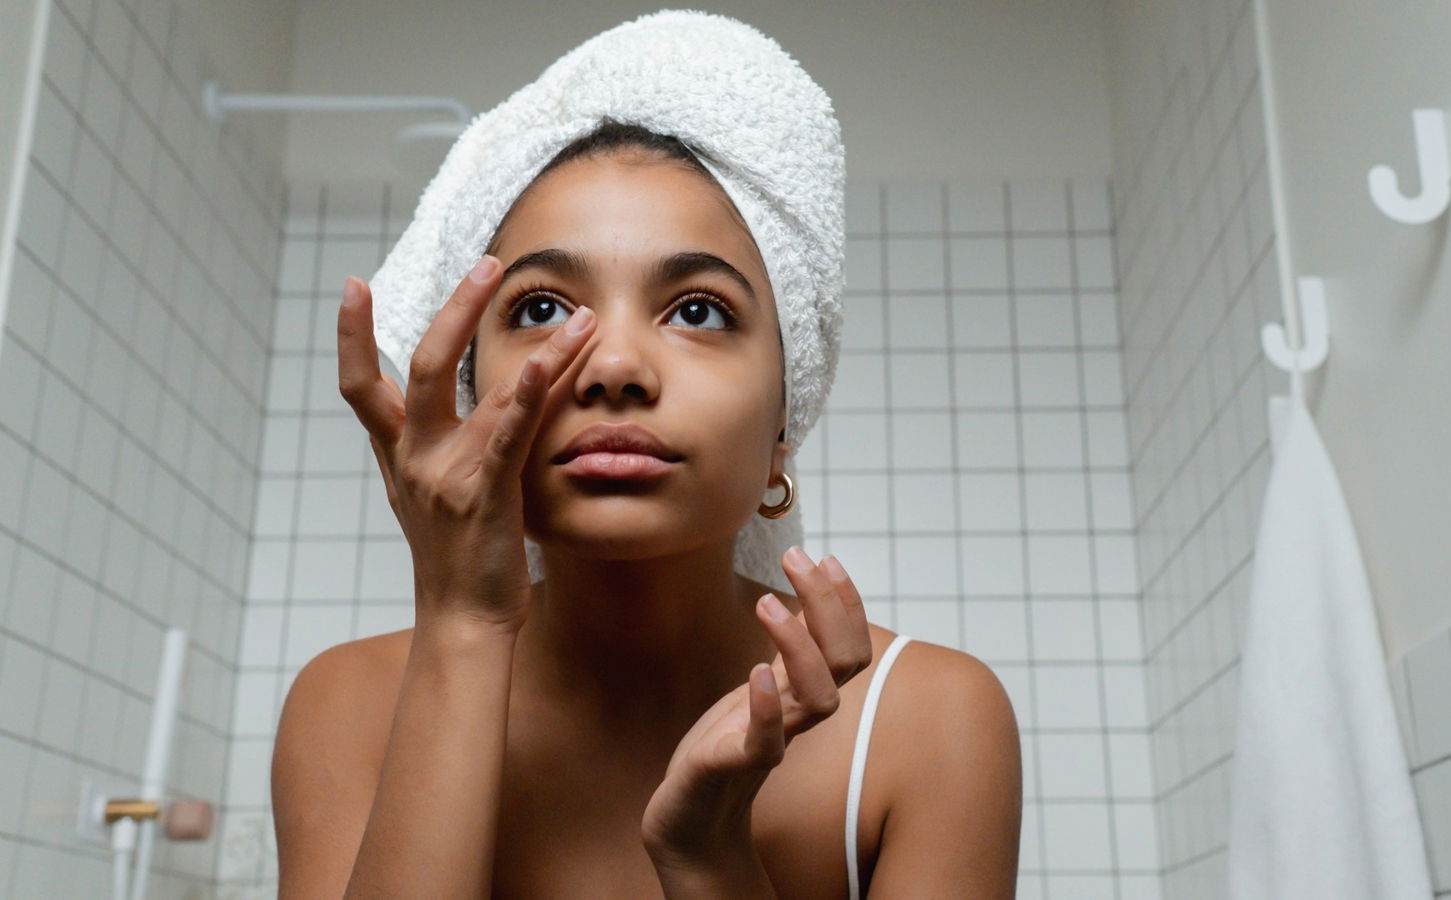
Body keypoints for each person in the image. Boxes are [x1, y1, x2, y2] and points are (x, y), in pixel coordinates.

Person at [271, 18, 1020, 900]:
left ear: (788, 414)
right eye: (543, 309)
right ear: (475, 397)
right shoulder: (348, 706)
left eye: (697, 311)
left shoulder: (928, 721)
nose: (616, 368)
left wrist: (709, 859)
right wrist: (462, 628)